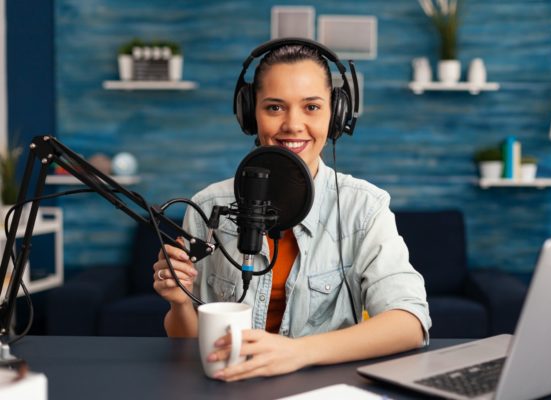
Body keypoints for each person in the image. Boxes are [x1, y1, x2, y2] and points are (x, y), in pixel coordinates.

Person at [153, 39, 431, 382]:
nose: (293, 125)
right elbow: (187, 341)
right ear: (249, 114)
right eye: (274, 107)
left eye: (311, 107)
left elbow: (410, 323)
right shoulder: (207, 206)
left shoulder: (365, 207)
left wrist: (297, 353)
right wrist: (178, 302)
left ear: (337, 115)